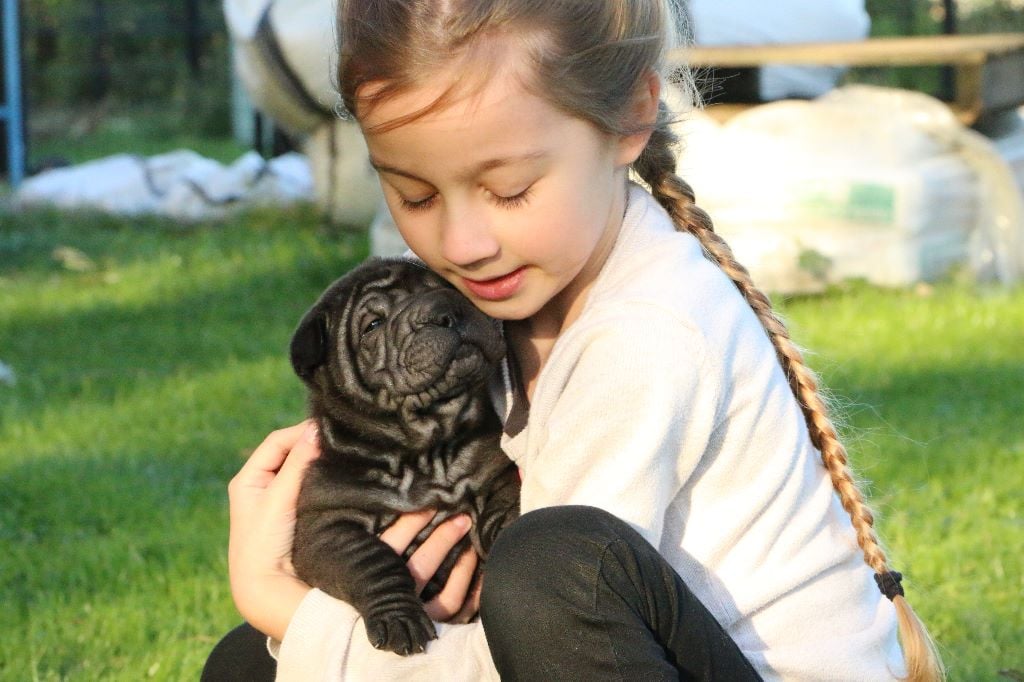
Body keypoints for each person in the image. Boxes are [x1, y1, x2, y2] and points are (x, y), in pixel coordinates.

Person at [205, 0, 946, 680]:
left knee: (548, 564)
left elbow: (545, 632)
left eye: (510, 189)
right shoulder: (491, 295)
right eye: (415, 194)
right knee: (250, 668)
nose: (462, 243)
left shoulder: (645, 335)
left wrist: (285, 606)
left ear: (629, 120)